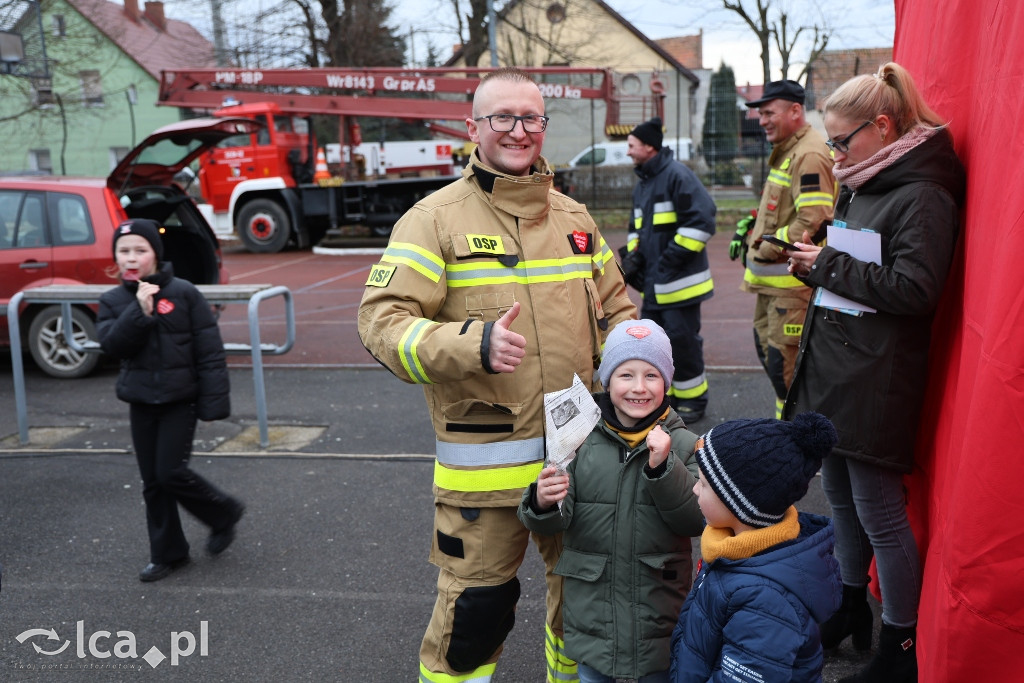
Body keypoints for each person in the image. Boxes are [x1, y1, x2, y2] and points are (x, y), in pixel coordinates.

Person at [357, 67, 636, 683]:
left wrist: (636, 375)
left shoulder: (574, 219)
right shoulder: (433, 220)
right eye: (502, 118)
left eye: (530, 118)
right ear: (473, 128)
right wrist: (470, 345)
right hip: (485, 475)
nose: (518, 131)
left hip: (578, 462)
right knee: (474, 620)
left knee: (586, 612)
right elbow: (380, 322)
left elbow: (619, 309)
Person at [784, 62, 966, 683]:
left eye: (841, 141)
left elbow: (917, 289)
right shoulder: (868, 178)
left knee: (878, 511)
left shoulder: (922, 192)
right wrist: (819, 263)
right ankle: (849, 607)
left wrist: (826, 268)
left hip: (876, 377)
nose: (833, 155)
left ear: (883, 127)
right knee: (838, 497)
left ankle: (899, 647)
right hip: (841, 368)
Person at [518, 319, 704, 683]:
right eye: (626, 375)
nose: (639, 387)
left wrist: (665, 467)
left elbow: (694, 520)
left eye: (652, 375)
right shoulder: (576, 440)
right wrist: (541, 501)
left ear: (666, 382)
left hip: (658, 611)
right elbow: (553, 522)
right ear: (605, 381)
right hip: (592, 613)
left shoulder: (685, 445)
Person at [97, 218, 244, 582]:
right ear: (115, 257)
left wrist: (214, 403)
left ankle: (222, 513)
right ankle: (169, 553)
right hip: (141, 400)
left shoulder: (184, 293)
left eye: (140, 251)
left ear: (155, 255)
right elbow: (113, 345)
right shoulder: (113, 300)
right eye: (124, 251)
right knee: (152, 482)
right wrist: (139, 312)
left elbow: (209, 351)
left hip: (181, 398)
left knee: (170, 471)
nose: (132, 259)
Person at [669, 413, 841, 682]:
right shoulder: (733, 549)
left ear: (738, 504)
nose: (694, 490)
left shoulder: (766, 602)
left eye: (703, 484)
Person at [735, 80, 836, 419]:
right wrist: (753, 231)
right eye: (760, 113)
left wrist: (763, 246)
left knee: (789, 377)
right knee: (779, 373)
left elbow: (815, 218)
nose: (762, 120)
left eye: (768, 112)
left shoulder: (807, 153)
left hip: (791, 292)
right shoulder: (790, 150)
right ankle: (787, 438)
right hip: (774, 291)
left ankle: (795, 449)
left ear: (795, 111)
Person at [623, 117, 717, 423]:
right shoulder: (644, 184)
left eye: (632, 145)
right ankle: (668, 398)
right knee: (655, 345)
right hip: (655, 285)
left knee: (683, 344)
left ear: (649, 147)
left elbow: (702, 220)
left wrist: (666, 262)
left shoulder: (678, 176)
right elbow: (636, 227)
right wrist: (634, 257)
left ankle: (694, 403)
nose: (628, 152)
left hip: (680, 284)